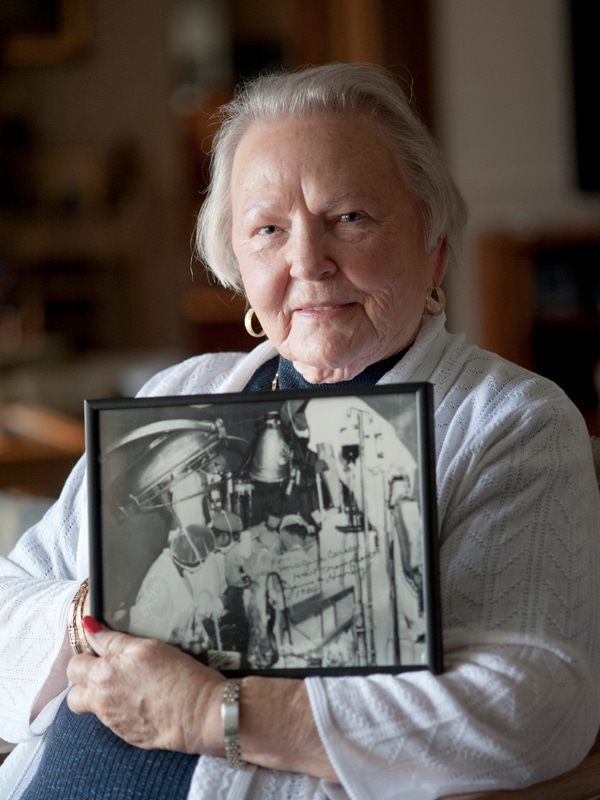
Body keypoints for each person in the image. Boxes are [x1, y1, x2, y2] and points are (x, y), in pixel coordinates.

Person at [1, 62, 599, 800]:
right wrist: (103, 612)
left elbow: (534, 703)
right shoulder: (179, 395)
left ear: (434, 245)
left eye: (350, 218)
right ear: (239, 266)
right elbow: (11, 597)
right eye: (269, 229)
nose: (308, 262)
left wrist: (206, 711)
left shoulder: (510, 422)